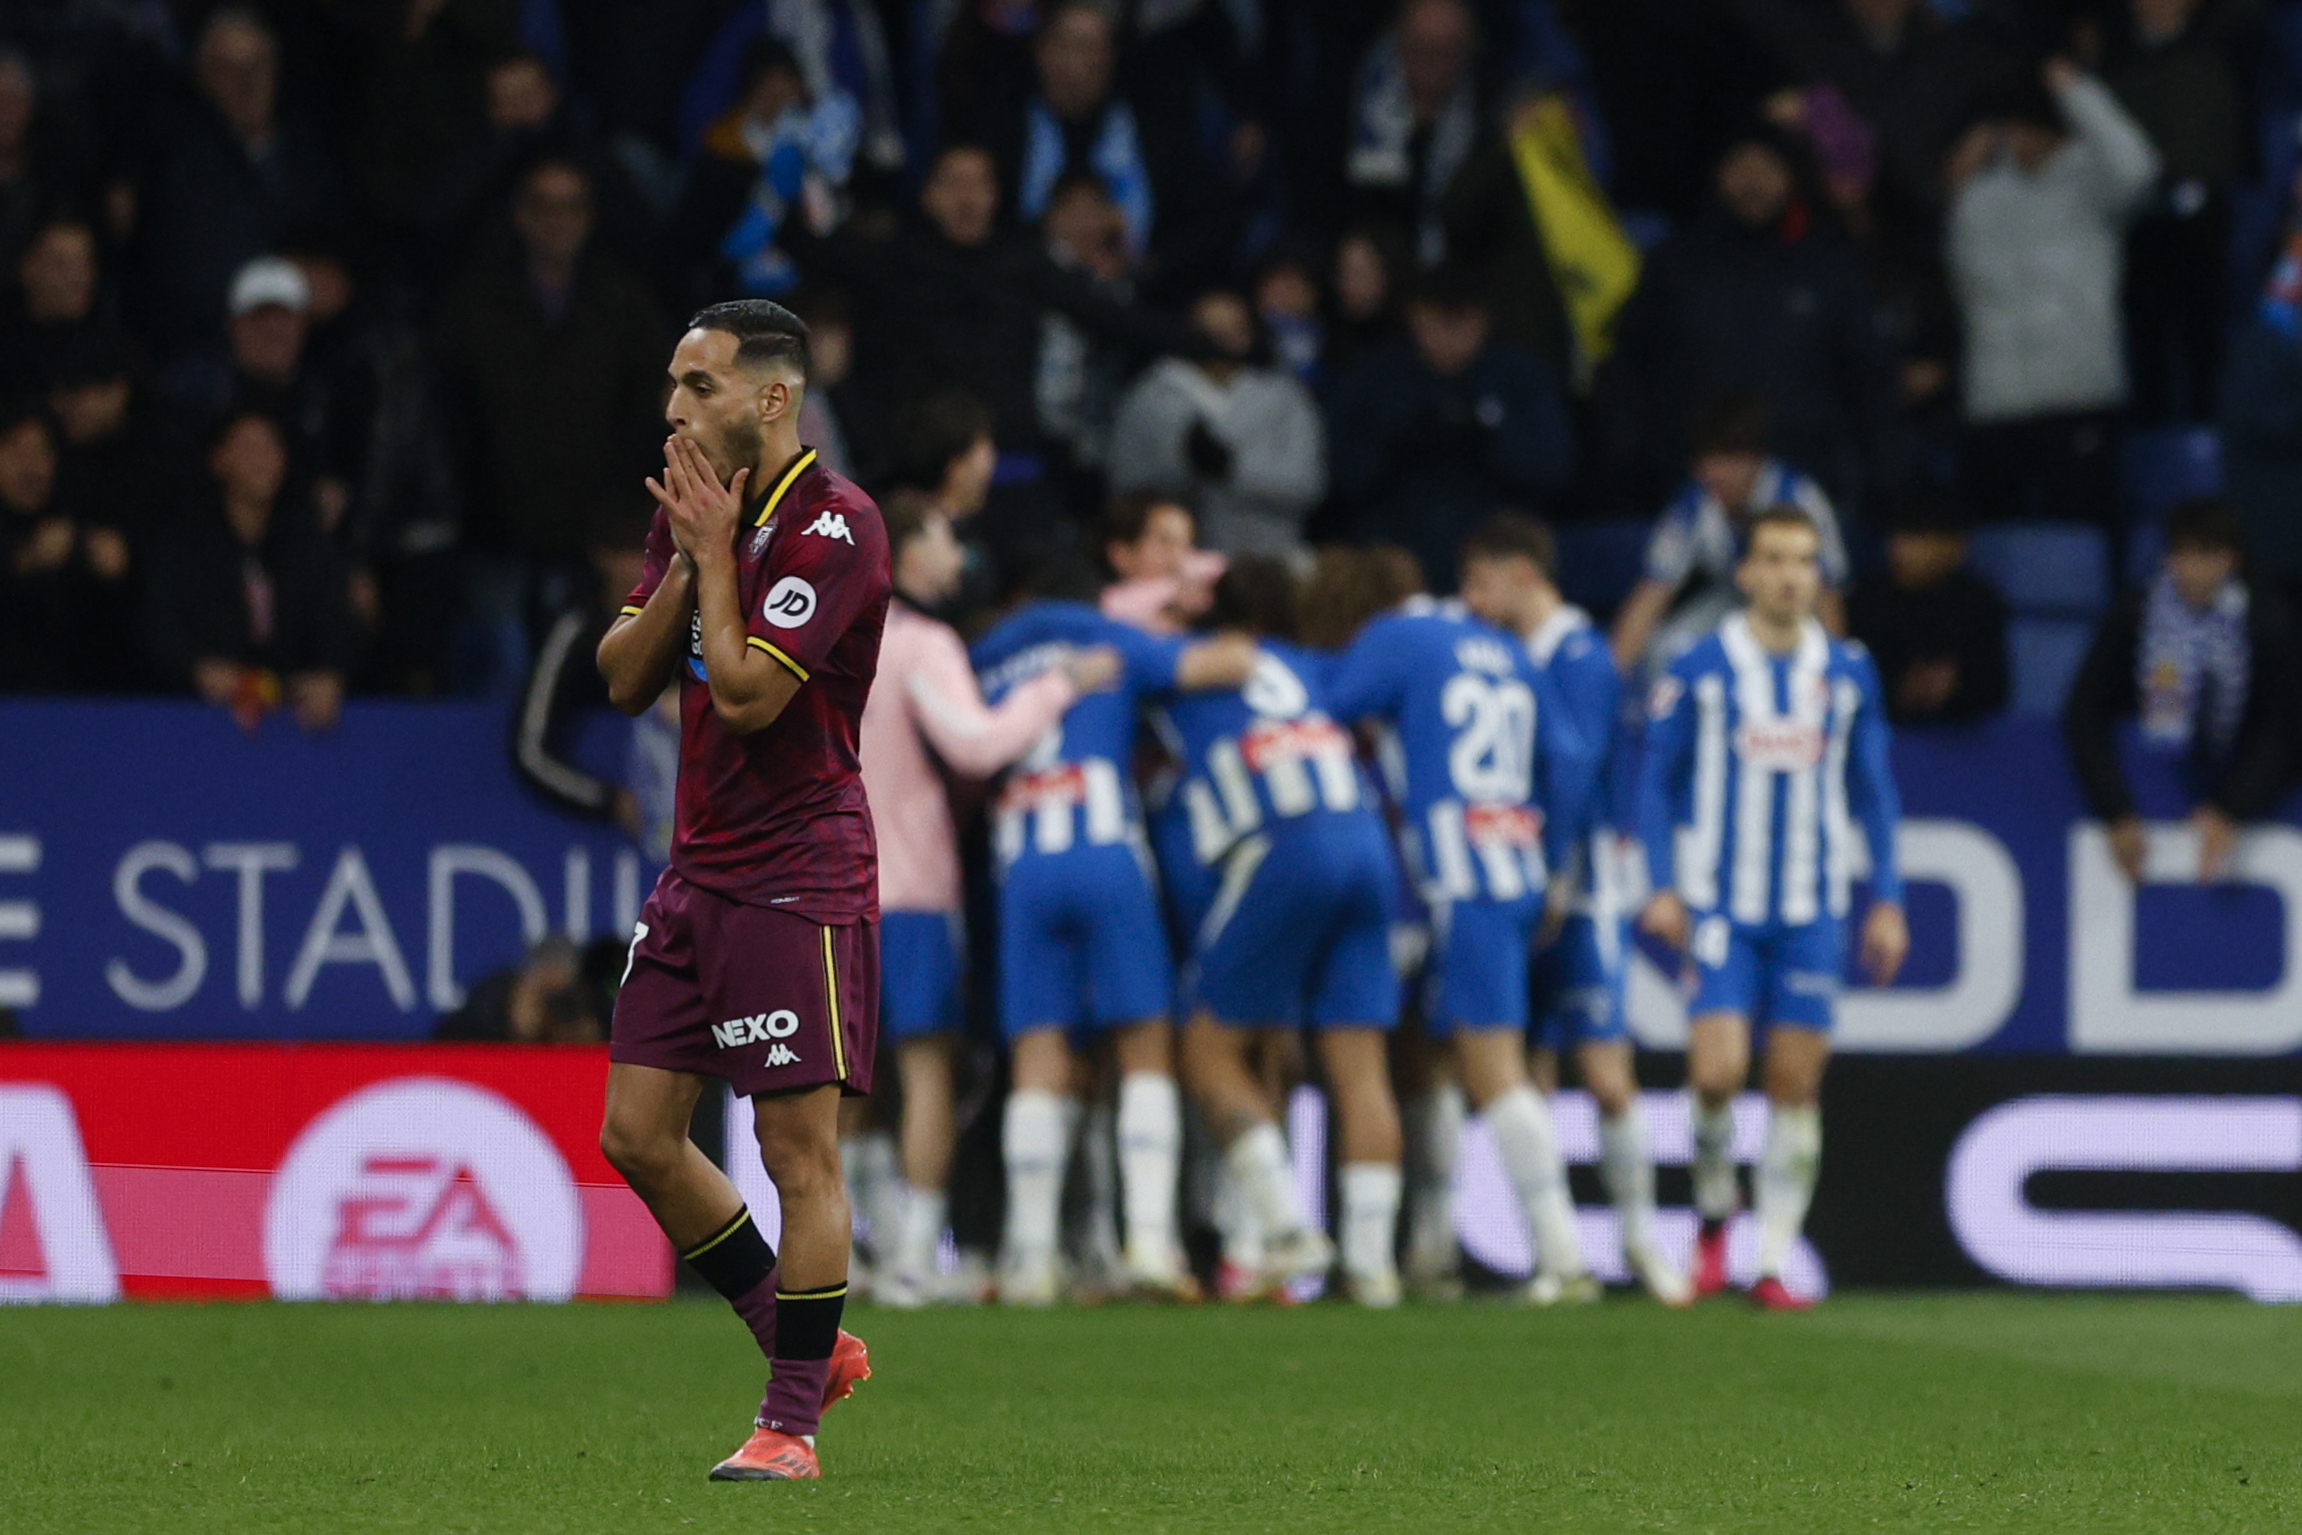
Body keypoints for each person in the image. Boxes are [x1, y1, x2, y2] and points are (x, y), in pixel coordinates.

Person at [593, 300, 889, 1483]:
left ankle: (790, 1426)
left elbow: (752, 695)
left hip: (796, 876)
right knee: (635, 1133)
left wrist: (713, 556)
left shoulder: (839, 525)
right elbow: (622, 677)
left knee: (793, 1148)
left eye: (699, 385)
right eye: (674, 382)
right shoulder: (695, 513)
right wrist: (688, 556)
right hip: (698, 871)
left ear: (772, 397)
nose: (674, 408)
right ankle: (804, 1340)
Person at [1636, 506, 1908, 1311]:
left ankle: (1772, 1261)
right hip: (1721, 903)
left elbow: (1875, 792)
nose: (1790, 575)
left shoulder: (1848, 671)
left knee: (1794, 1080)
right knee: (1716, 1072)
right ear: (1746, 572)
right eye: (1774, 559)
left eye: (1803, 560)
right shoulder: (1701, 665)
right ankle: (1714, 1211)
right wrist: (1661, 884)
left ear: (1818, 575)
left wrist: (1887, 900)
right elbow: (1655, 781)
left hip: (1811, 907)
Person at [1325, 520, 1601, 1305]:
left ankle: (1563, 1257)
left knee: (1489, 1066)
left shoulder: (1399, 637)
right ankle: (1429, 1247)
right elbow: (1569, 760)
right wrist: (1553, 867)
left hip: (1451, 877)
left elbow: (1331, 706)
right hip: (1512, 865)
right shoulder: (1508, 650)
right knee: (1436, 1060)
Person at [969, 554, 1254, 1305]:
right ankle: (1151, 1243)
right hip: (1104, 847)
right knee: (1144, 1042)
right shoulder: (1108, 636)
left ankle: (1031, 1259)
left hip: (1022, 857)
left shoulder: (986, 652)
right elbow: (1224, 664)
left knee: (1038, 1052)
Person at [857, 492, 1117, 1308]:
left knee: (841, 1082)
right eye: (944, 537)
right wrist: (1059, 684)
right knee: (925, 1069)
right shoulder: (921, 642)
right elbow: (975, 744)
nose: (959, 555)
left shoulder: (822, 640)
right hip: (909, 889)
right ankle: (910, 1259)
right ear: (904, 552)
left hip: (822, 892)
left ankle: (847, 1252)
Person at [1161, 556, 1408, 1306]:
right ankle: (1372, 1270)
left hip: (1283, 843)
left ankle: (1286, 1228)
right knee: (1361, 1065)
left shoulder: (1181, 667)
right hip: (1365, 839)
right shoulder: (1309, 667)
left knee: (1208, 1050)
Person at [1489, 513, 1691, 1307]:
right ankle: (1555, 1254)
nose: (1475, 598)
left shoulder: (1580, 656)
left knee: (1606, 1073)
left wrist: (1557, 878)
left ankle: (1642, 1241)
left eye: (1483, 580)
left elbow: (1576, 773)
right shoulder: (1515, 654)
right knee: (1529, 1070)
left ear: (1522, 574)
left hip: (1580, 891)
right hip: (1524, 883)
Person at [1946, 60, 2159, 525]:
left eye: (2031, 127)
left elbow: (2140, 168)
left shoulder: (2093, 183)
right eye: (2012, 128)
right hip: (1997, 403)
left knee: (2081, 538)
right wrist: (1961, 178)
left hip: (2079, 397)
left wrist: (2076, 92)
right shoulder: (1980, 197)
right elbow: (1962, 282)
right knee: (1997, 541)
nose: (2021, 139)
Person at [2063, 498, 2300, 886]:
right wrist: (2115, 811)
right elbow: (2084, 710)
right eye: (2182, 555)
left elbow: (2286, 727)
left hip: (2236, 792)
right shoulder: (2135, 616)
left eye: (2207, 557)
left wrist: (2232, 806)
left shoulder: (2269, 625)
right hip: (2147, 787)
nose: (2192, 571)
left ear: (2231, 560)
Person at [1326, 265, 1575, 591]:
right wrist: (1401, 438)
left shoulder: (1520, 378)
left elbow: (1551, 471)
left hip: (1494, 561)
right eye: (1436, 321)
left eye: (1460, 322)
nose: (1448, 336)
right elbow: (1344, 476)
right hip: (1395, 556)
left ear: (1483, 320)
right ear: (1414, 317)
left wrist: (1487, 435)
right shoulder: (1375, 378)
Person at [141, 410, 359, 732]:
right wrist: (196, 670)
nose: (261, 460)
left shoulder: (307, 545)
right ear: (218, 461)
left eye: (270, 448)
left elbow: (336, 622)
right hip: (198, 718)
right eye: (248, 448)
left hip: (293, 719)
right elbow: (160, 626)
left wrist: (331, 675)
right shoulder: (183, 545)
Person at [1611, 394, 1851, 677]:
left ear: (1757, 459)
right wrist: (1605, 684)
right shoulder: (1694, 504)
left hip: (1794, 600)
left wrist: (1838, 674)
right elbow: (1651, 594)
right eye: (1707, 459)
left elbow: (1828, 596)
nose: (1715, 472)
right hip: (1732, 598)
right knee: (1666, 650)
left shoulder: (1799, 497)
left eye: (1729, 459)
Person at [1107, 287, 1326, 559]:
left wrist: (1230, 468)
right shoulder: (1153, 396)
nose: (1223, 342)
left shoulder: (1285, 396)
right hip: (1176, 560)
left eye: (1236, 330)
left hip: (1269, 558)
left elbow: (1307, 485)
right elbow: (1126, 487)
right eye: (1210, 333)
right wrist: (1184, 469)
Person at [1848, 497, 2010, 726]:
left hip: (1961, 736)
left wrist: (1955, 688)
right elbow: (1850, 683)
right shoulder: (1865, 599)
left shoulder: (1979, 603)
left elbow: (1995, 689)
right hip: (1884, 730)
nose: (1901, 550)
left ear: (1954, 546)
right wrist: (1897, 690)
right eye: (1897, 537)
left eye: (1917, 538)